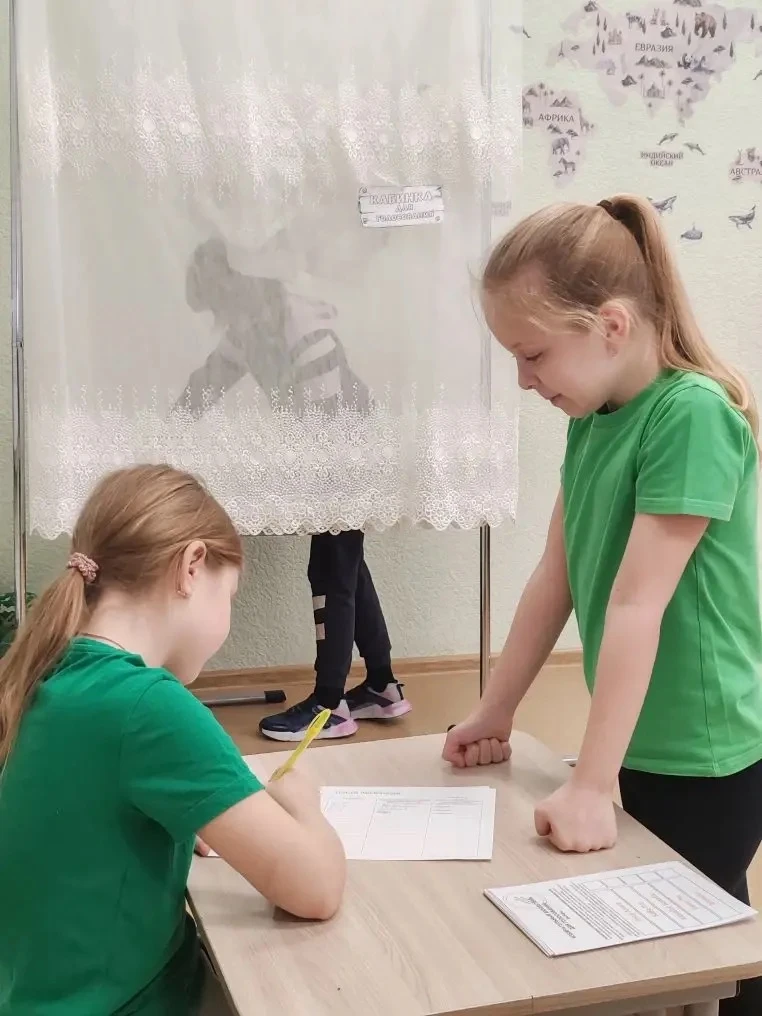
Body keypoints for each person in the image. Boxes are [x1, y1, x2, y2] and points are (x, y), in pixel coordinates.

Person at [443, 195, 762, 1014]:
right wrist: (495, 710)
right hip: (644, 735)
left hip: (706, 749)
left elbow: (634, 607)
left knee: (699, 953)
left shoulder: (692, 416)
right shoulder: (595, 418)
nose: (524, 379)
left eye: (533, 355)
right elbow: (556, 575)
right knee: (683, 945)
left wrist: (592, 783)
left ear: (611, 326)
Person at [0, 464, 346, 1016]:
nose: (227, 617)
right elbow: (317, 888)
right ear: (191, 566)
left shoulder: (46, 671)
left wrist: (183, 818)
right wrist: (306, 804)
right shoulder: (148, 705)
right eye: (230, 595)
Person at [178, 238, 411, 741]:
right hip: (332, 447)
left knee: (331, 570)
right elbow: (208, 380)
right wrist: (166, 432)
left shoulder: (306, 333)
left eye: (220, 304)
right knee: (348, 567)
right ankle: (381, 686)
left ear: (239, 288)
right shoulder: (253, 326)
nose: (220, 318)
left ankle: (329, 706)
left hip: (351, 451)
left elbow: (326, 425)